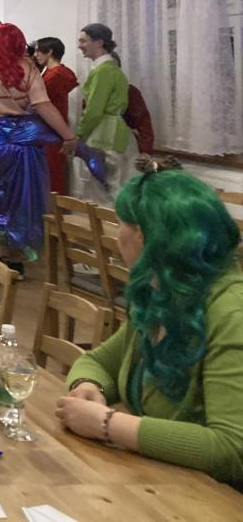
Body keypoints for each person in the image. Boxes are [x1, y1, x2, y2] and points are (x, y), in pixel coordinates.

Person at [56, 161, 243, 486]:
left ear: (142, 237)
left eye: (120, 225)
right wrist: (88, 387)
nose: (116, 237)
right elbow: (98, 361)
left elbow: (231, 448)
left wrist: (108, 424)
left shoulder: (231, 313)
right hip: (161, 481)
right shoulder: (163, 295)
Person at [0, 23, 77, 273]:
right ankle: (15, 257)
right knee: (19, 198)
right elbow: (42, 104)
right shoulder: (28, 67)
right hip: (22, 142)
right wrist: (68, 135)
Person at [76, 23, 133, 203]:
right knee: (110, 184)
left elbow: (94, 110)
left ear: (99, 42)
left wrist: (78, 134)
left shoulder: (104, 71)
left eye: (83, 41)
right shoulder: (110, 69)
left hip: (105, 132)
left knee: (103, 188)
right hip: (112, 130)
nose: (79, 45)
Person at [34, 37, 78, 195]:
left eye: (39, 51)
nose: (36, 55)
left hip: (50, 127)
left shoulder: (54, 76)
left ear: (50, 52)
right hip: (55, 127)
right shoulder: (59, 73)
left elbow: (41, 102)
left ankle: (53, 207)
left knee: (51, 173)